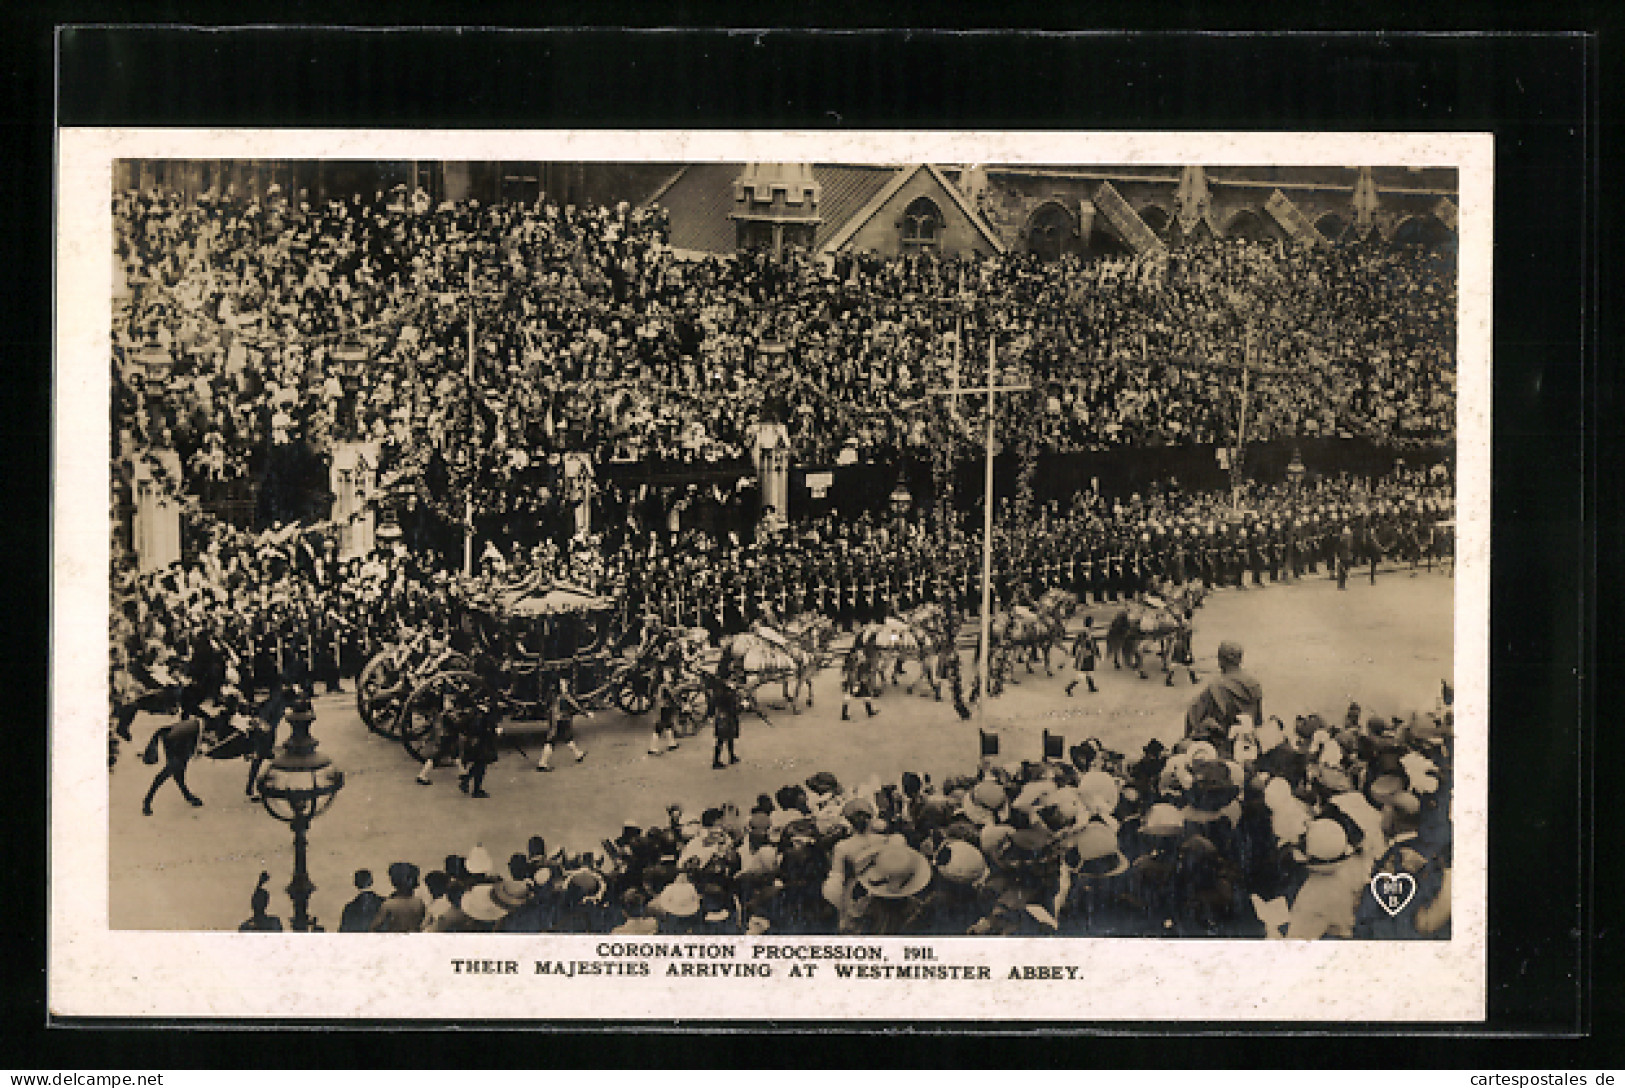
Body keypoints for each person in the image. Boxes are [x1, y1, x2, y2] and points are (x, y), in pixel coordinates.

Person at [1183, 640, 1263, 743]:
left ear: (1221, 661)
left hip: (1224, 743)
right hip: (1250, 741)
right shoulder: (1254, 684)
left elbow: (1192, 716)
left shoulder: (1216, 686)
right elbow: (1259, 719)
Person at [141, 688, 206, 815]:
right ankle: (147, 800)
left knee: (178, 768)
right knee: (172, 768)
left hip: (194, 717)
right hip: (195, 720)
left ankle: (187, 795)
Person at [535, 671, 588, 772]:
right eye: (564, 683)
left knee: (566, 736)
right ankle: (542, 763)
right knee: (552, 740)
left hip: (555, 716)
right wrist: (585, 713)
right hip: (560, 717)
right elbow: (574, 704)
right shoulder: (564, 695)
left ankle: (578, 754)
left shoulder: (551, 694)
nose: (566, 684)